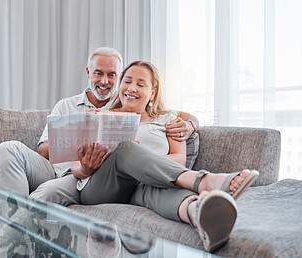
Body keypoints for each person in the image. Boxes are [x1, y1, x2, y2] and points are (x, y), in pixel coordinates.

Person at [71, 61, 259, 252]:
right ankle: (204, 181)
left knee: (154, 187)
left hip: (147, 185)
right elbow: (75, 167)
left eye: (141, 84)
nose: (132, 88)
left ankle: (198, 213)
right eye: (127, 81)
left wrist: (143, 164)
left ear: (152, 92)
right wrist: (87, 168)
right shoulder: (99, 115)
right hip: (102, 188)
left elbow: (180, 159)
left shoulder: (168, 119)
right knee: (127, 148)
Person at [0, 47, 199, 208]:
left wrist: (191, 124)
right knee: (8, 148)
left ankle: (12, 233)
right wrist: (77, 132)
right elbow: (43, 150)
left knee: (47, 193)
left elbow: (164, 114)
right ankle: (8, 220)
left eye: (111, 75)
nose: (104, 81)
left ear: (118, 78)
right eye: (98, 73)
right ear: (88, 73)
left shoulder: (126, 105)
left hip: (90, 177)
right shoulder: (67, 105)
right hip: (58, 169)